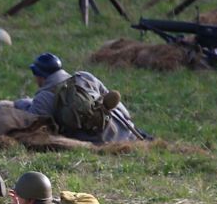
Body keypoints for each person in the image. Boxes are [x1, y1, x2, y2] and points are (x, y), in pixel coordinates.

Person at [13, 52, 144, 143]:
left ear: (39, 76)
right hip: (125, 131)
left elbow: (30, 125)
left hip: (99, 140)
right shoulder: (84, 77)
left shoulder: (44, 98)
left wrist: (21, 103)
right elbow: (114, 102)